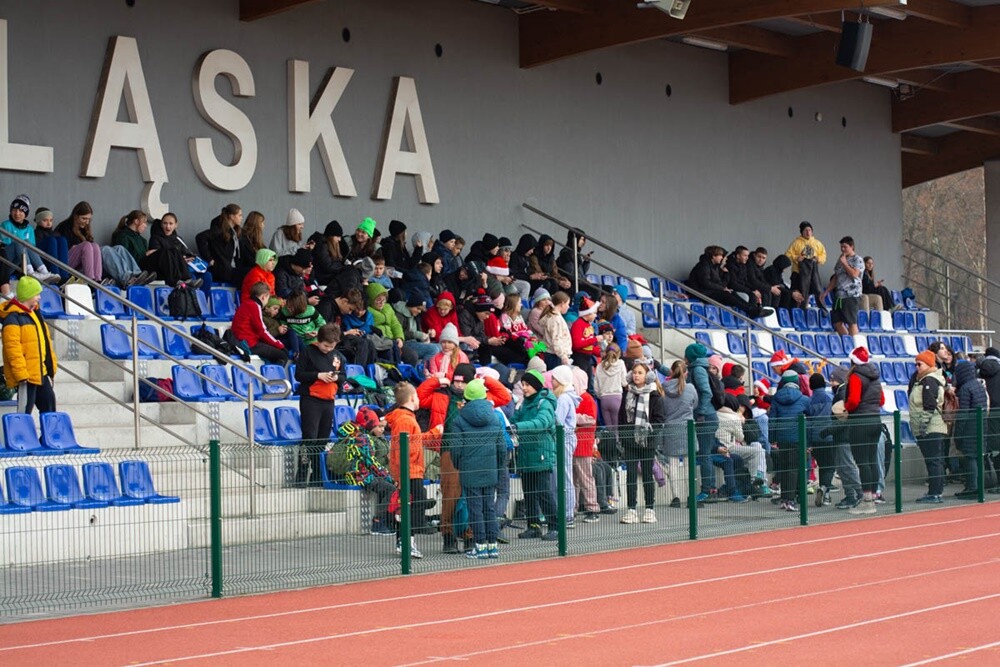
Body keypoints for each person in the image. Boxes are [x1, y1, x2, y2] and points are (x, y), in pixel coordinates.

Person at [418, 363, 511, 553]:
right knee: (451, 495)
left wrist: (485, 380)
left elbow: (505, 396)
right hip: (448, 450)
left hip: (473, 452)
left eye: (463, 382)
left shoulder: (479, 398)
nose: (459, 385)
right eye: (456, 381)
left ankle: (470, 535)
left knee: (472, 498)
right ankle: (448, 536)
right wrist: (437, 380)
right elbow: (419, 397)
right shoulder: (441, 395)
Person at [450, 378, 507, 559]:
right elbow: (501, 448)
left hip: (469, 470)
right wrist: (497, 467)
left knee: (475, 509)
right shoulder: (494, 417)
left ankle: (480, 545)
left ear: (466, 398)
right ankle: (492, 545)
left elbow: (456, 449)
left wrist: (459, 465)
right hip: (490, 470)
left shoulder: (459, 420)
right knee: (489, 507)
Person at [385, 381, 442, 539]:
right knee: (411, 505)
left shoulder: (407, 418)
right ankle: (406, 539)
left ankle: (408, 538)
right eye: (417, 396)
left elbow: (413, 440)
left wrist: (434, 433)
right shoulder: (405, 420)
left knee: (414, 502)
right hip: (409, 469)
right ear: (411, 398)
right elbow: (405, 447)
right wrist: (433, 433)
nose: (418, 400)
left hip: (412, 468)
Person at [294, 323, 345, 486]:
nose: (328, 349)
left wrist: (336, 378)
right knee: (310, 437)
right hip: (311, 400)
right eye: (325, 345)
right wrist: (318, 375)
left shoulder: (336, 355)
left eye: (332, 346)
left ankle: (317, 475)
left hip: (328, 401)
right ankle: (301, 474)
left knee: (322, 439)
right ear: (319, 340)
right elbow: (299, 375)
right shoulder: (308, 352)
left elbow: (343, 376)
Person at [511, 369, 559, 541]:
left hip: (541, 453)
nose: (524, 388)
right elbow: (515, 419)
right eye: (523, 384)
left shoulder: (544, 403)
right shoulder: (525, 403)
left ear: (537, 386)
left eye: (527, 385)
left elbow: (542, 422)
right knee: (529, 492)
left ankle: (555, 526)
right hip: (526, 453)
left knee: (544, 492)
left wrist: (518, 427)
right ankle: (533, 526)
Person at [0, 276, 57, 415]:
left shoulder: (36, 314)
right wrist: (21, 375)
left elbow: (45, 344)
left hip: (40, 372)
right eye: (37, 294)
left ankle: (48, 431)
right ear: (28, 295)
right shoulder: (12, 318)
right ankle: (21, 430)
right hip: (26, 376)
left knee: (50, 406)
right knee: (24, 412)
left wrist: (50, 367)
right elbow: (12, 350)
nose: (39, 298)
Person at [618, 360, 665, 523]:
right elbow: (621, 418)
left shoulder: (655, 396)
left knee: (647, 475)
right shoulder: (626, 394)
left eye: (640, 373)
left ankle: (649, 509)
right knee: (631, 476)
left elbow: (659, 420)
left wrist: (648, 437)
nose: (636, 375)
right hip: (629, 442)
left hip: (647, 443)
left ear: (648, 376)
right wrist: (624, 437)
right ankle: (631, 510)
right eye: (634, 372)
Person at [843, 346, 884, 515]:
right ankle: (873, 496)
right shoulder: (875, 377)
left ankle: (866, 501)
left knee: (862, 462)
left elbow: (853, 400)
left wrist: (846, 407)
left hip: (860, 421)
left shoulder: (855, 376)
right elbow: (882, 400)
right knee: (872, 460)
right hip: (875, 419)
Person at [688, 245, 772, 319]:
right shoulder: (703, 265)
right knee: (727, 295)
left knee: (731, 293)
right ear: (713, 256)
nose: (723, 258)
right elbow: (705, 282)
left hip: (711, 292)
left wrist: (726, 274)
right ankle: (752, 311)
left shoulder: (715, 267)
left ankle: (754, 310)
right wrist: (722, 288)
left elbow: (722, 284)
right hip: (702, 293)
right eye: (721, 256)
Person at [769, 369, 812, 512]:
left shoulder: (776, 398)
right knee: (794, 468)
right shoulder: (804, 399)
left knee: (785, 467)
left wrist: (772, 438)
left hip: (782, 438)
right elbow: (810, 422)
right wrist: (809, 442)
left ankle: (784, 499)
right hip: (798, 438)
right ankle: (791, 500)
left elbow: (772, 420)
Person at [909, 349, 947, 503]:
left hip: (931, 427)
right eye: (916, 364)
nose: (917, 367)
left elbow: (929, 405)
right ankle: (936, 491)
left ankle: (935, 492)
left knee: (933, 460)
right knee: (934, 460)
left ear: (929, 365)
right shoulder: (922, 380)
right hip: (931, 426)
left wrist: (923, 424)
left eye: (920, 364)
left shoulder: (929, 381)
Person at [660, 359, 697, 508]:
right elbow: (695, 404)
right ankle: (690, 496)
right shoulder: (690, 388)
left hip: (670, 428)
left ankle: (675, 497)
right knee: (689, 465)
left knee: (673, 464)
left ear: (671, 372)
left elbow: (662, 408)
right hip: (687, 428)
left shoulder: (663, 388)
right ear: (686, 373)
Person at [685, 343, 719, 502]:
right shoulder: (698, 368)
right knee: (706, 454)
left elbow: (706, 392)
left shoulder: (698, 370)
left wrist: (701, 413)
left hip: (706, 418)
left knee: (705, 454)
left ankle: (707, 490)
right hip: (706, 417)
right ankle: (710, 488)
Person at [1, 195, 59, 283]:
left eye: (21, 211)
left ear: (26, 213)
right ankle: (31, 273)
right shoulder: (5, 225)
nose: (17, 213)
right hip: (6, 264)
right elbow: (4, 248)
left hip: (20, 263)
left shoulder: (29, 229)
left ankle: (45, 272)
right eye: (14, 210)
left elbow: (31, 250)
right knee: (19, 242)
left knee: (26, 243)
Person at [953, 359, 988, 499]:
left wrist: (958, 434)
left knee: (970, 457)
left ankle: (972, 488)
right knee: (978, 456)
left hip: (969, 428)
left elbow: (963, 413)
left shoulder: (965, 389)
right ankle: (979, 487)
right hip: (981, 425)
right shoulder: (978, 385)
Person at [550, 365, 580, 529]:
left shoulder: (563, 399)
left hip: (564, 439)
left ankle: (567, 514)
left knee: (564, 477)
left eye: (554, 378)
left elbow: (557, 420)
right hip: (566, 439)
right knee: (562, 476)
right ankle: (564, 512)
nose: (552, 380)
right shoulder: (566, 397)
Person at [231, 281, 288, 364]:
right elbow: (262, 331)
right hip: (249, 343)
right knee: (283, 355)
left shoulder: (246, 303)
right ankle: (272, 372)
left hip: (242, 341)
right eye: (268, 298)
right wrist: (280, 345)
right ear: (264, 297)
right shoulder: (254, 306)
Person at [821, 236, 864, 335]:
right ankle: (846, 340)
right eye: (841, 247)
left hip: (851, 294)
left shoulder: (857, 259)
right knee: (837, 322)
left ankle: (854, 342)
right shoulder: (840, 259)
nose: (843, 249)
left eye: (845, 247)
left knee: (851, 322)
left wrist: (845, 263)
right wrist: (826, 292)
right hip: (839, 294)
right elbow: (836, 276)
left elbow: (854, 274)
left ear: (852, 246)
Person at [55, 201, 104, 284]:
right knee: (86, 245)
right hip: (65, 263)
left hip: (80, 266)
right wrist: (76, 248)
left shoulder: (85, 228)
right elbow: (61, 249)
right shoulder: (64, 227)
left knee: (95, 246)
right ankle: (89, 280)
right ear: (75, 216)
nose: (87, 222)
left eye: (89, 219)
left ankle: (97, 280)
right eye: (84, 218)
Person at [806, 373, 836, 507]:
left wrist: (808, 441)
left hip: (814, 437)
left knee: (822, 464)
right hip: (828, 436)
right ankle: (825, 489)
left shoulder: (809, 401)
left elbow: (808, 421)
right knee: (830, 466)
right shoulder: (830, 398)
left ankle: (824, 490)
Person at [148, 213, 200, 288]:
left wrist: (189, 258)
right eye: (165, 223)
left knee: (207, 276)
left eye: (170, 223)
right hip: (166, 270)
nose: (167, 226)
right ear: (161, 224)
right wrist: (181, 259)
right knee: (169, 252)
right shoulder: (155, 238)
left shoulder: (178, 239)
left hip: (184, 267)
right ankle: (184, 284)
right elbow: (160, 256)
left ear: (176, 225)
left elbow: (187, 252)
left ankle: (190, 284)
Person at [784, 221, 827, 311]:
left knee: (816, 291)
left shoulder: (817, 243)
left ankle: (821, 310)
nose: (808, 232)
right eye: (805, 230)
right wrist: (796, 258)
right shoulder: (796, 243)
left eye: (809, 230)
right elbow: (787, 255)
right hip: (798, 273)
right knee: (798, 295)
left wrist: (818, 259)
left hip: (812, 273)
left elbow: (823, 256)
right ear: (802, 232)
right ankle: (797, 312)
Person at [197, 203, 242, 286]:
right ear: (232, 216)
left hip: (231, 268)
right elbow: (200, 237)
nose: (241, 218)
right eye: (239, 215)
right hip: (223, 270)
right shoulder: (219, 230)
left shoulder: (234, 231)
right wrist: (209, 259)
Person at [393, 294, 440, 366]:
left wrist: (426, 336)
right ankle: (422, 370)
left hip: (414, 342)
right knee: (433, 349)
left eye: (421, 309)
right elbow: (400, 334)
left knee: (440, 347)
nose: (419, 311)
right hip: (405, 343)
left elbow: (419, 332)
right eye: (418, 308)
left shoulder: (416, 316)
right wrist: (417, 335)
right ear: (411, 305)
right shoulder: (400, 314)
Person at [367, 282, 404, 365]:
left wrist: (399, 337)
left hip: (393, 339)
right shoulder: (368, 311)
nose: (381, 303)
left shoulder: (388, 308)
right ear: (371, 300)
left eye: (383, 299)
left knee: (411, 355)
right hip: (380, 341)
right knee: (389, 352)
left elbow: (395, 324)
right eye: (378, 300)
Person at [594, 342, 628, 429]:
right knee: (616, 424)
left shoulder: (599, 366)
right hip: (617, 397)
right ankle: (617, 438)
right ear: (618, 353)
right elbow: (624, 382)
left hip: (604, 398)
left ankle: (610, 438)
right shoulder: (621, 364)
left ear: (606, 352)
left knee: (608, 426)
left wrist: (600, 395)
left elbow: (596, 386)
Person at [32, 207, 70, 283]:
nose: (49, 223)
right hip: (42, 262)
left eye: (51, 220)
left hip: (53, 261)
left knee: (62, 240)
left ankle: (64, 275)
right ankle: (55, 274)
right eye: (45, 220)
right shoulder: (35, 233)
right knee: (51, 240)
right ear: (38, 221)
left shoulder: (56, 234)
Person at [539, 291, 572, 369]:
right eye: (567, 304)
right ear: (562, 304)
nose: (568, 307)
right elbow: (556, 340)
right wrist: (563, 356)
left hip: (553, 355)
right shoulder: (556, 320)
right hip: (555, 357)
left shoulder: (552, 316)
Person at [234, 210, 266, 287]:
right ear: (256, 224)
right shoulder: (242, 239)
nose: (263, 226)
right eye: (262, 223)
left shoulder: (259, 242)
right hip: (245, 275)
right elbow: (244, 261)